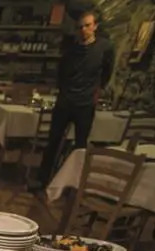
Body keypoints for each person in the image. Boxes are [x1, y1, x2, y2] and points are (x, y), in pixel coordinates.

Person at [36, 10, 114, 187]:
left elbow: (107, 73)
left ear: (95, 26)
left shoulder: (105, 47)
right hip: (65, 101)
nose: (83, 30)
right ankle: (43, 180)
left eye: (87, 25)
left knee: (80, 146)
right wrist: (63, 90)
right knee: (53, 141)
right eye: (80, 27)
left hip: (85, 103)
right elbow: (61, 72)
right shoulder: (70, 48)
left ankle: (73, 184)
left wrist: (96, 90)